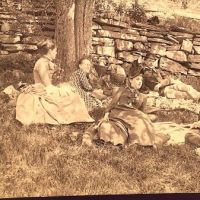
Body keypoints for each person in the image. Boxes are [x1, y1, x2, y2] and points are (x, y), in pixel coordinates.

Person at [16, 39, 94, 125]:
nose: (56, 53)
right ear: (50, 51)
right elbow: (48, 86)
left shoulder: (46, 62)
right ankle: (78, 115)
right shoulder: (42, 64)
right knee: (71, 96)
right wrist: (62, 91)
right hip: (43, 91)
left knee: (71, 91)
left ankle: (82, 111)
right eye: (55, 51)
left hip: (46, 89)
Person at [96, 60, 170, 147]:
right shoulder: (121, 90)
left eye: (141, 80)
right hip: (119, 113)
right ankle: (136, 142)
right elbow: (112, 103)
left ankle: (142, 141)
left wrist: (147, 115)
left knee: (143, 119)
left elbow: (141, 111)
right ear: (130, 80)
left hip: (132, 115)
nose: (140, 82)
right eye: (137, 79)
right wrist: (106, 114)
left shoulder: (142, 97)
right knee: (139, 119)